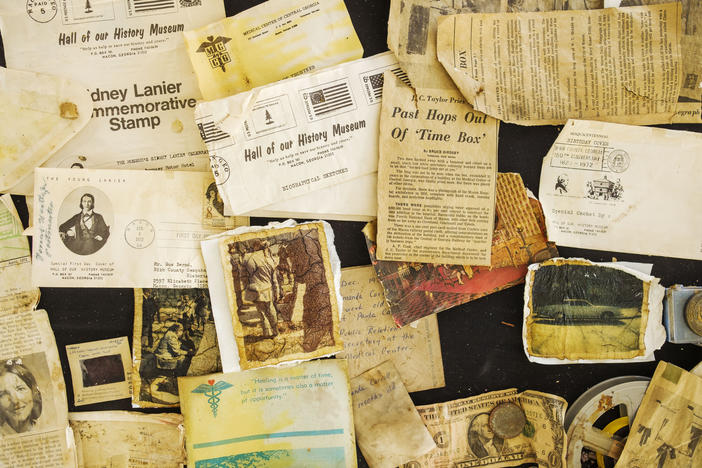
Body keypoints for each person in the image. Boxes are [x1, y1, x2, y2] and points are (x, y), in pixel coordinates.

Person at [243, 240, 280, 338]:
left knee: (262, 313)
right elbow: (274, 279)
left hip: (256, 290)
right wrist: (277, 291)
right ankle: (275, 331)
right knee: (271, 310)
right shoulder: (270, 259)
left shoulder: (249, 258)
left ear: (255, 246)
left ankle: (267, 333)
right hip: (268, 289)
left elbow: (245, 276)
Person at [0, 359, 42, 435]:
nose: (15, 401)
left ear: (32, 392)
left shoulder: (46, 426)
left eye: (20, 389)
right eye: (3, 394)